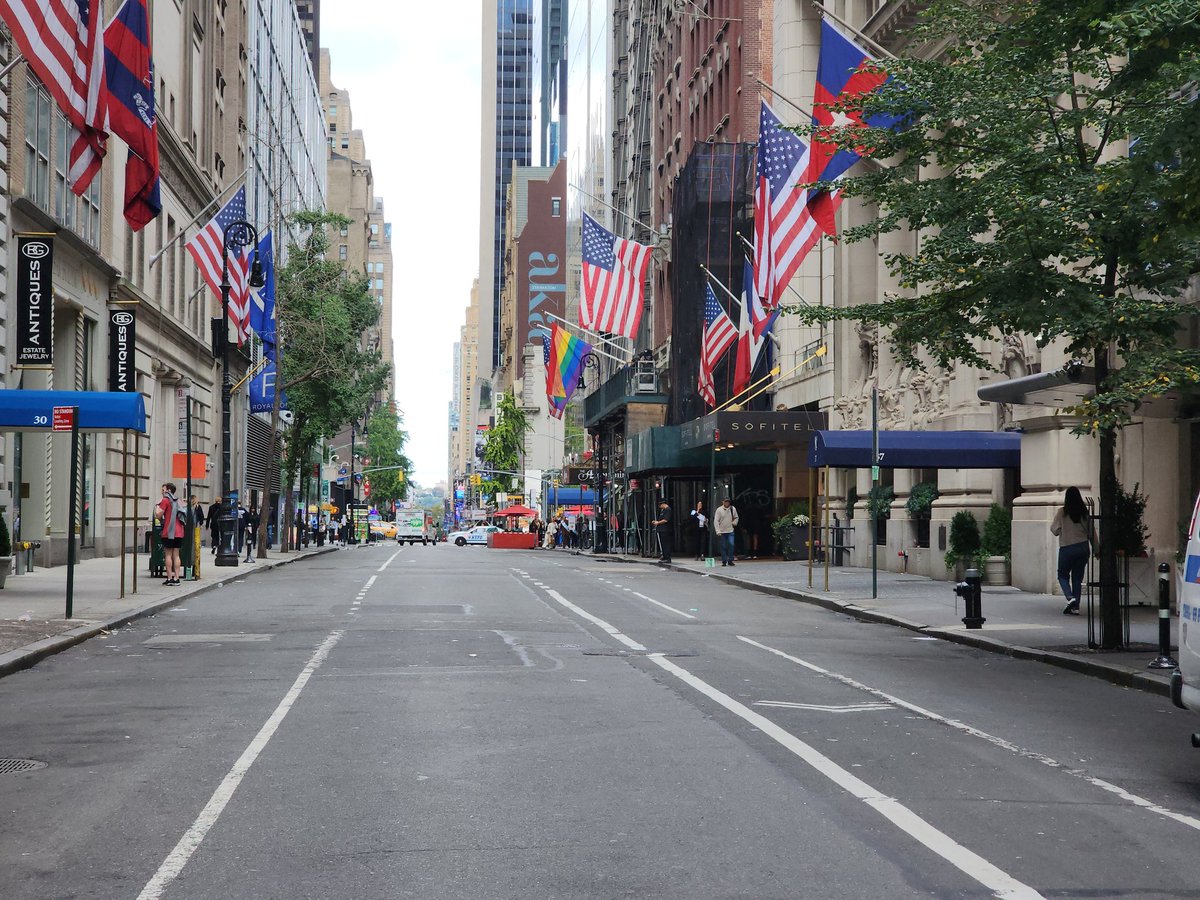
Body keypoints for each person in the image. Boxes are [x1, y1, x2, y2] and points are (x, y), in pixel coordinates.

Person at [1051, 486, 1095, 615]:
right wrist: (1097, 549)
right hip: (1083, 547)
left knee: (1062, 575)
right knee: (1077, 578)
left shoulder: (1062, 512)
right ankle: (1076, 607)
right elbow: (1092, 533)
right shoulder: (1084, 513)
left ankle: (1070, 598)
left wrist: (1062, 530)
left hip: (1067, 547)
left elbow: (1054, 530)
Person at [158, 483, 186, 585]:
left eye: (163, 489)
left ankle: (170, 577)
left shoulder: (165, 500)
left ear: (168, 490)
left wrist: (157, 508)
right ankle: (177, 578)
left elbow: (158, 514)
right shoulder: (178, 500)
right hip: (179, 531)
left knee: (168, 555)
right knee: (176, 555)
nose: (162, 491)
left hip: (169, 531)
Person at [714, 497, 740, 567]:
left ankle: (730, 560)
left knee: (731, 545)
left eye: (728, 501)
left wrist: (734, 523)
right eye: (726, 501)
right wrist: (718, 531)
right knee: (723, 546)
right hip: (722, 531)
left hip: (730, 530)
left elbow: (736, 517)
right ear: (723, 502)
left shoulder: (732, 509)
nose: (727, 503)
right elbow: (716, 521)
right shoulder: (719, 510)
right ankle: (724, 561)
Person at [652, 499, 673, 565]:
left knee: (666, 544)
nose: (660, 507)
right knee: (663, 544)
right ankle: (664, 556)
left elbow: (666, 520)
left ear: (663, 504)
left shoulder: (668, 510)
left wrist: (658, 522)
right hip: (662, 530)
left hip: (666, 530)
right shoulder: (663, 510)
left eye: (660, 505)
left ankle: (667, 558)